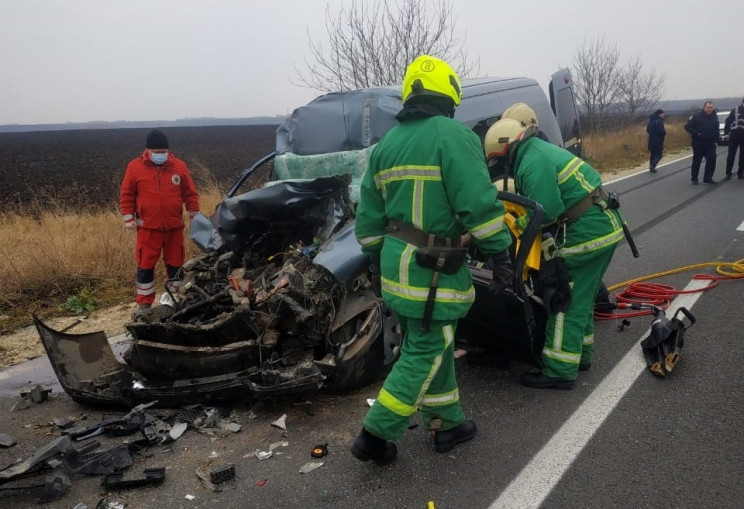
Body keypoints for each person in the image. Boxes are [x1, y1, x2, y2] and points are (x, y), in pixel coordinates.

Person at [352, 55, 514, 464]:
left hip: (396, 270)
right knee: (425, 350)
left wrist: (377, 262)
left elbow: (369, 224)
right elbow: (477, 202)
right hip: (433, 272)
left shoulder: (384, 146)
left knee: (431, 343)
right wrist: (499, 250)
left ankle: (448, 424)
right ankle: (374, 435)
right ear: (449, 94)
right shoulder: (453, 136)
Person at [483, 116, 626, 390]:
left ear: (506, 149)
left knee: (563, 296)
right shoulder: (538, 151)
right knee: (582, 298)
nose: (503, 168)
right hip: (604, 225)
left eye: (499, 161)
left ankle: (559, 369)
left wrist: (515, 226)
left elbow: (544, 210)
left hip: (588, 232)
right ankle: (580, 357)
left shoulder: (531, 161)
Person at [120, 129, 200, 311]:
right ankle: (144, 304)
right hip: (148, 229)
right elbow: (127, 194)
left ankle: (174, 301)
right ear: (147, 151)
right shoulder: (134, 167)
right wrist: (128, 218)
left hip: (174, 228)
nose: (160, 156)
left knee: (176, 266)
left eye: (163, 152)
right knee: (145, 266)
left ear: (168, 151)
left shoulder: (178, 166)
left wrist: (194, 216)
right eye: (156, 153)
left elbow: (190, 193)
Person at [684, 101, 720, 184]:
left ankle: (708, 177)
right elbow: (687, 126)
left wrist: (717, 140)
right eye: (708, 108)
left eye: (711, 107)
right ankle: (694, 178)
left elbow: (716, 128)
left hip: (710, 142)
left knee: (712, 159)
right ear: (704, 107)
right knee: (697, 160)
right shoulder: (696, 116)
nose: (710, 109)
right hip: (698, 142)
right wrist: (696, 133)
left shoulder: (714, 116)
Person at [723, 97, 744, 179]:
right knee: (731, 154)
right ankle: (728, 173)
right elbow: (728, 121)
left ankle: (740, 173)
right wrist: (726, 133)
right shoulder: (735, 110)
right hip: (734, 136)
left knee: (743, 156)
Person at [646, 109, 666, 173]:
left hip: (651, 139)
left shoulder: (651, 121)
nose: (663, 115)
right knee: (659, 155)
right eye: (663, 114)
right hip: (658, 140)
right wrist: (664, 132)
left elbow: (648, 130)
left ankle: (651, 168)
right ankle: (653, 165)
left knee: (652, 154)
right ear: (659, 114)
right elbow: (662, 131)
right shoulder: (659, 121)